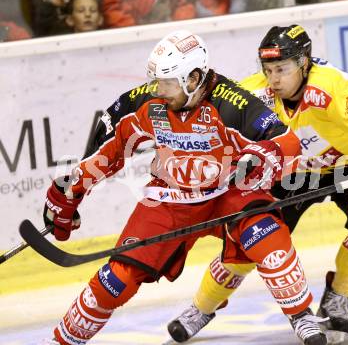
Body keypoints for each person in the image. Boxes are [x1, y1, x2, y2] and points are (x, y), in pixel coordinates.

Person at [41, 29, 329, 345]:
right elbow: (107, 151)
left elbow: (284, 140)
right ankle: (63, 341)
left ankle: (301, 315)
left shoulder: (230, 102)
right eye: (157, 82)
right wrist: (71, 191)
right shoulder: (144, 101)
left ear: (193, 79)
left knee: (266, 237)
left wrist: (258, 156)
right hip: (170, 195)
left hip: (228, 192)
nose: (159, 91)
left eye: (168, 83)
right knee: (115, 282)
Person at [166, 24, 348, 344]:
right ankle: (201, 308)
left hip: (347, 165)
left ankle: (338, 296)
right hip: (291, 175)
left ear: (304, 63)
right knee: (249, 243)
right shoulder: (254, 94)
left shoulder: (330, 87)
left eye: (281, 69)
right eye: (268, 70)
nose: (274, 79)